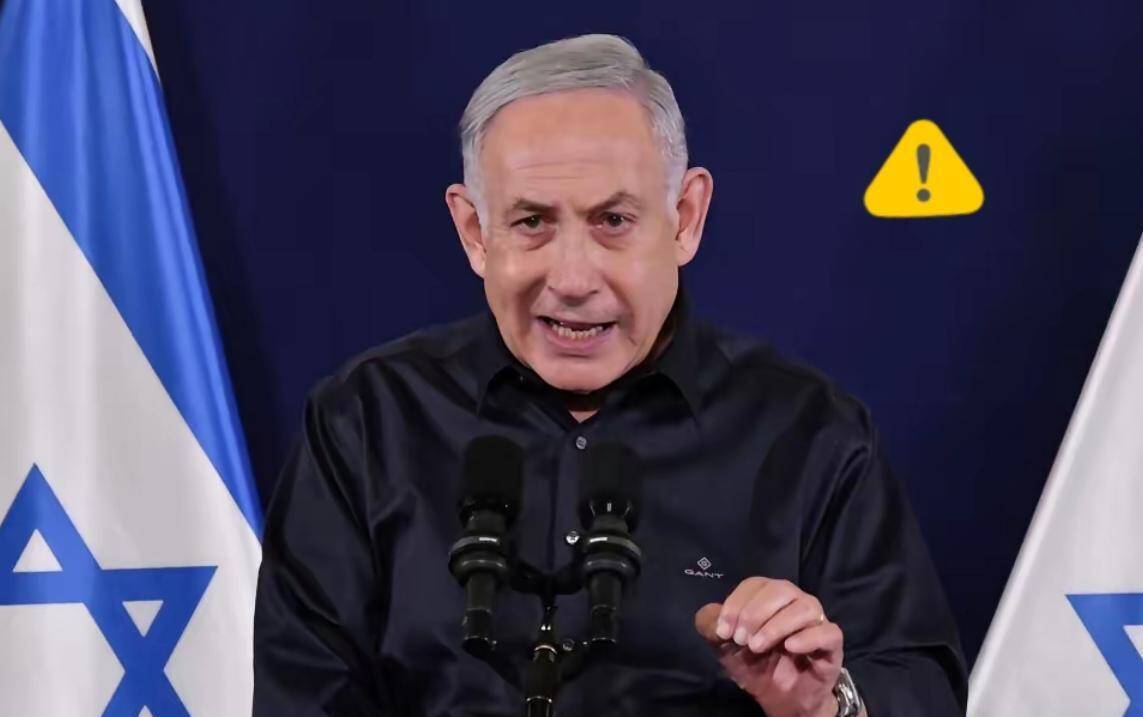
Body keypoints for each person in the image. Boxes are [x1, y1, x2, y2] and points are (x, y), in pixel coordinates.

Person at [253, 34, 967, 717]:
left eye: (613, 221)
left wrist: (825, 704)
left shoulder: (809, 433)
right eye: (531, 222)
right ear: (474, 232)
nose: (572, 278)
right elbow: (302, 695)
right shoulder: (367, 421)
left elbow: (921, 688)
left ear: (685, 218)